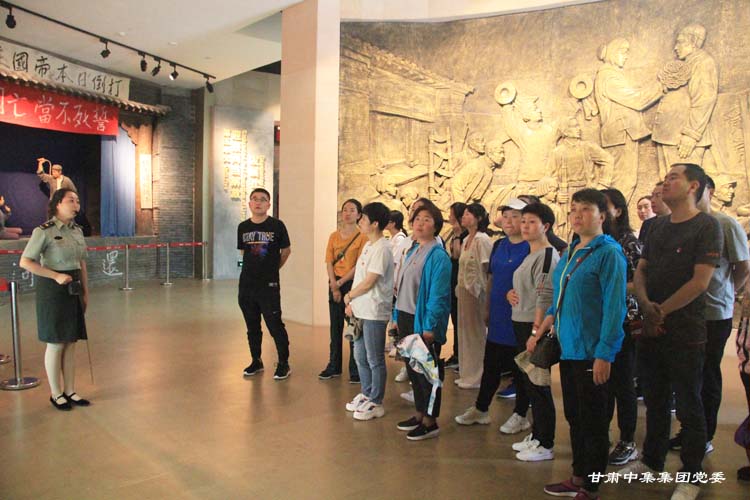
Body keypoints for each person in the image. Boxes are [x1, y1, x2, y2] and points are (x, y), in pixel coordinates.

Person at [623, 163, 722, 500]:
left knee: (689, 403)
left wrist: (661, 310)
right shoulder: (656, 226)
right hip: (651, 326)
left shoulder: (707, 226)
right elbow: (642, 270)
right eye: (664, 178)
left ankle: (691, 474)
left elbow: (700, 282)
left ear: (694, 186)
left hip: (685, 329)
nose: (665, 183)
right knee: (655, 398)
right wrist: (645, 303)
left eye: (673, 178)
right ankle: (652, 461)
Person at [542, 189, 626, 500]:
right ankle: (578, 476)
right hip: (569, 349)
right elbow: (560, 296)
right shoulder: (571, 252)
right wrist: (545, 325)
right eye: (574, 209)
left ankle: (591, 486)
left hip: (593, 351)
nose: (577, 215)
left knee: (593, 421)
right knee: (575, 416)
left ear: (602, 216)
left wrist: (605, 353)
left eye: (586, 209)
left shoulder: (609, 254)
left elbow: (615, 307)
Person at [668, 175, 750, 453]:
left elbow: (742, 266)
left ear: (706, 191)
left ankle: (704, 435)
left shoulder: (725, 224)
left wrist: (726, 292)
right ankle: (689, 430)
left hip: (714, 313)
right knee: (687, 377)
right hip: (685, 311)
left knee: (707, 375)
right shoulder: (682, 223)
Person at [20, 189, 91, 411]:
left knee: (71, 342)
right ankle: (56, 393)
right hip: (53, 290)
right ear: (58, 204)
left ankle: (70, 390)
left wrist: (86, 292)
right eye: (71, 200)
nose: (76, 204)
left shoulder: (77, 231)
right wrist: (55, 275)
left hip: (74, 287)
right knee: (56, 342)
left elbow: (81, 263)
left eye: (77, 201)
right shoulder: (44, 231)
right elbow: (26, 262)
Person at [392, 203, 451, 440]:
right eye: (417, 219)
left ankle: (430, 421)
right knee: (413, 369)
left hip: (422, 323)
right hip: (406, 317)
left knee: (427, 373)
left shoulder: (438, 256)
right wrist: (396, 317)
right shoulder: (414, 249)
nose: (420, 223)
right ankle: (419, 413)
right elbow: (401, 286)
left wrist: (429, 327)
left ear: (436, 225)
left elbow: (438, 295)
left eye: (427, 219)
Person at [594, 37, 664, 203]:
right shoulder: (608, 78)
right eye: (623, 52)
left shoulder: (614, 75)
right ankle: (610, 215)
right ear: (613, 53)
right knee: (622, 183)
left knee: (626, 182)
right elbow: (636, 100)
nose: (626, 56)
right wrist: (662, 86)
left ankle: (613, 214)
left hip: (624, 134)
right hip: (620, 134)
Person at [601, 188, 643, 466]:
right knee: (600, 380)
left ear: (617, 210)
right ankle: (600, 432)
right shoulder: (596, 241)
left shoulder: (629, 242)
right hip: (598, 320)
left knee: (623, 383)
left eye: (603, 207)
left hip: (623, 319)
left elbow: (640, 281)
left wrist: (609, 289)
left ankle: (627, 440)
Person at [343, 202, 394, 421]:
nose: (360, 221)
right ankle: (366, 393)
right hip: (360, 309)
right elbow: (360, 278)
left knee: (374, 358)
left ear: (375, 224)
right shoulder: (368, 245)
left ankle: (376, 401)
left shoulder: (382, 248)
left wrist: (349, 295)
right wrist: (353, 303)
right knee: (360, 355)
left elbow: (370, 281)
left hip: (374, 311)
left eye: (364, 219)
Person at [238, 188, 292, 380]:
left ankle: (283, 363)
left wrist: (273, 269)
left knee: (274, 325)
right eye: (254, 199)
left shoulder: (277, 225)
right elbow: (243, 252)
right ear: (250, 204)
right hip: (247, 286)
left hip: (268, 286)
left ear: (268, 204)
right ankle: (256, 360)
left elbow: (286, 251)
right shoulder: (243, 227)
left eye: (262, 199)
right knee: (252, 326)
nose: (258, 202)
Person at [320, 199, 365, 382]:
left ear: (359, 215)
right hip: (334, 283)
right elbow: (329, 262)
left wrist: (340, 283)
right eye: (345, 210)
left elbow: (359, 265)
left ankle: (355, 369)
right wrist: (333, 284)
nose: (347, 213)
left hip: (352, 284)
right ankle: (334, 365)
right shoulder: (334, 236)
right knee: (335, 327)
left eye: (352, 210)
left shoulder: (363, 237)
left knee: (353, 327)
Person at [455, 203, 493, 390]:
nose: (464, 217)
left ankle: (477, 376)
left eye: (468, 214)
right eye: (463, 214)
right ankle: (467, 373)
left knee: (476, 334)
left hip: (477, 292)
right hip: (464, 290)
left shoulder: (482, 240)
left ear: (478, 218)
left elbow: (487, 269)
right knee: (465, 333)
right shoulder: (465, 239)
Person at [445, 202, 467, 369]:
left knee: (461, 320)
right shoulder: (453, 233)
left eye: (451, 214)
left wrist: (458, 234)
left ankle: (462, 356)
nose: (449, 217)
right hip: (453, 277)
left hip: (461, 278)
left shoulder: (465, 234)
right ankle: (456, 353)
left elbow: (458, 255)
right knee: (455, 317)